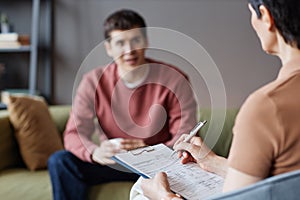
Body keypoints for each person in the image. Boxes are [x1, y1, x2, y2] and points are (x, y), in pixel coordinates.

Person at [135, 0, 300, 199]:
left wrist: (163, 197)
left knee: (140, 191)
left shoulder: (267, 108)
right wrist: (212, 161)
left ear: (265, 16)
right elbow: (278, 179)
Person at [47, 9, 197, 200]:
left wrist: (148, 152)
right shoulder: (93, 81)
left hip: (157, 165)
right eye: (120, 43)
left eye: (136, 40)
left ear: (146, 41)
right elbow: (73, 133)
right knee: (60, 161)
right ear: (109, 48)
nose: (129, 51)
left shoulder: (174, 79)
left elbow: (184, 136)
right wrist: (95, 152)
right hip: (111, 162)